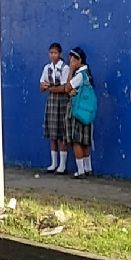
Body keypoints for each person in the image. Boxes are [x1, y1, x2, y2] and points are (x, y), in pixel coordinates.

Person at [49, 47, 95, 179]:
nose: (70, 62)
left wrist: (70, 71)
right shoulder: (87, 74)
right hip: (86, 112)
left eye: (73, 59)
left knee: (76, 141)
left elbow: (68, 86)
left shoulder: (80, 74)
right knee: (84, 141)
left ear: (79, 60)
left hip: (76, 111)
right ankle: (88, 167)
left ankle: (80, 171)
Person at [40, 42, 70, 174]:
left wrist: (50, 87)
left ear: (60, 54)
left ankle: (62, 165)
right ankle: (54, 163)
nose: (53, 55)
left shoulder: (65, 68)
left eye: (55, 53)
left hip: (62, 101)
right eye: (51, 52)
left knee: (62, 133)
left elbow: (63, 87)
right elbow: (41, 86)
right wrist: (47, 87)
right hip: (52, 101)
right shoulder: (47, 68)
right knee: (52, 133)